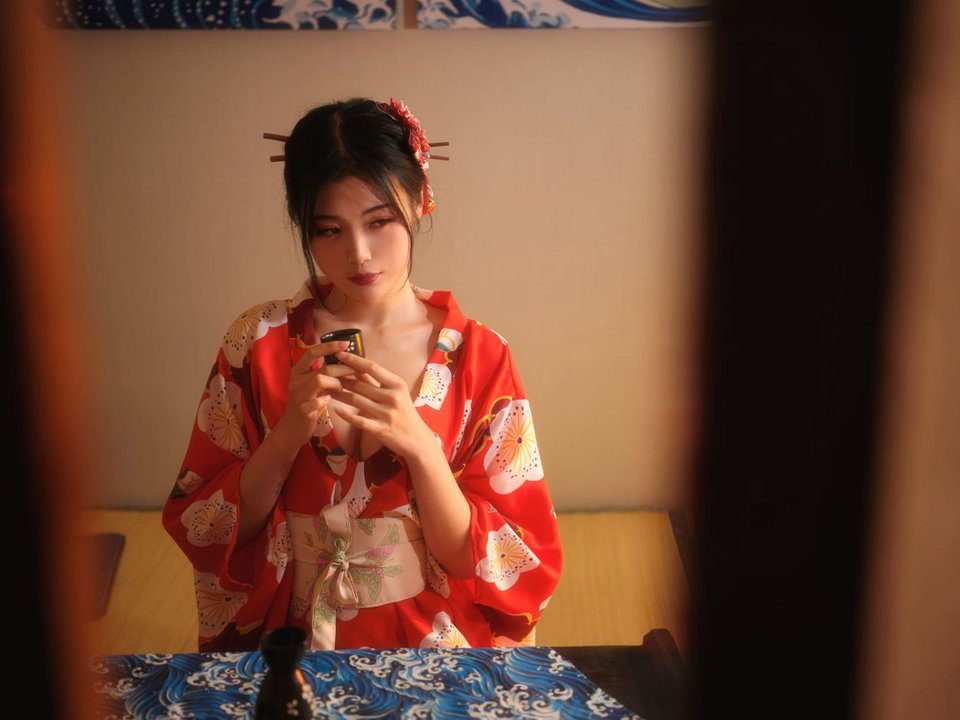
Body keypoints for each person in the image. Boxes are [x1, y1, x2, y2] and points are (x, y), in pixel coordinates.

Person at [162, 97, 562, 651]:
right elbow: (210, 528)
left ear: (419, 202)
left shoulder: (480, 355)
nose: (359, 254)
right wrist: (286, 435)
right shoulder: (256, 341)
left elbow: (510, 556)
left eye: (379, 222)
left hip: (431, 641)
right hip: (292, 634)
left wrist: (420, 447)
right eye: (329, 231)